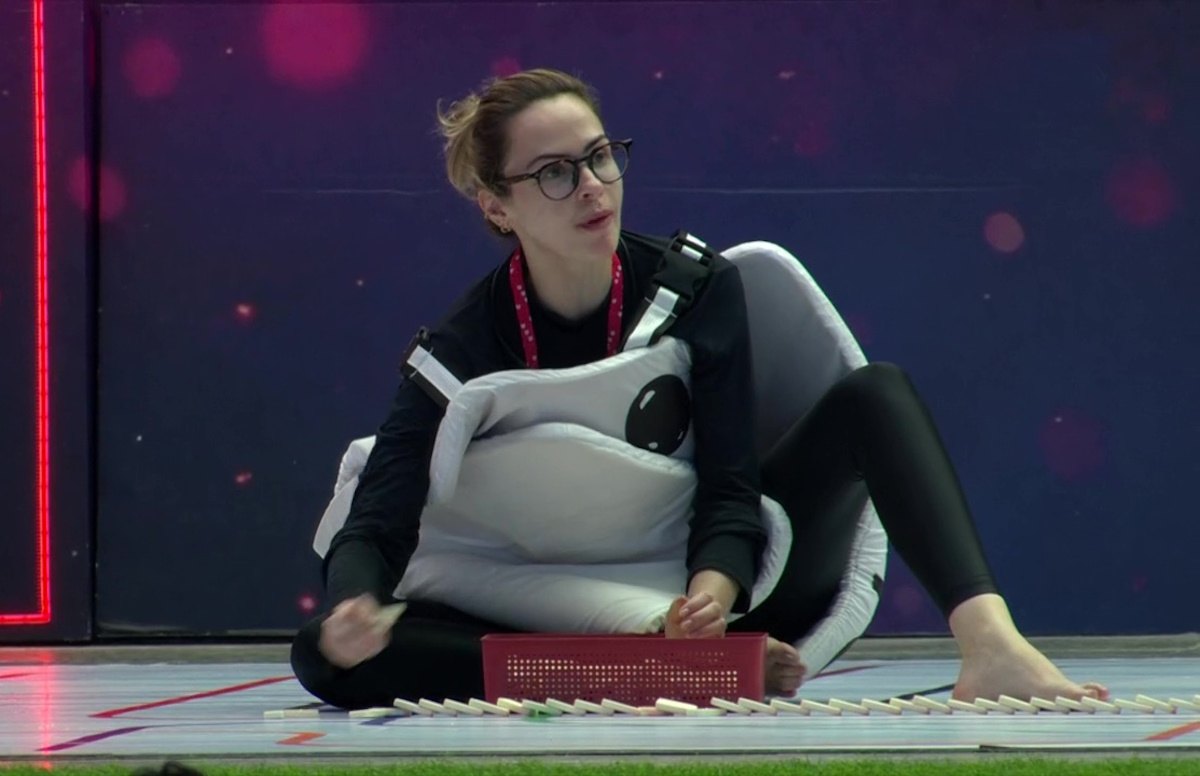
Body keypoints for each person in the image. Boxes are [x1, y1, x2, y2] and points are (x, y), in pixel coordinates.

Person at [290, 68, 1106, 710]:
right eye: (553, 173)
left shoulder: (695, 285)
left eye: (600, 156)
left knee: (877, 395)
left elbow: (729, 483)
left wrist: (709, 594)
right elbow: (378, 520)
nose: (592, 185)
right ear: (496, 207)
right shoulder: (460, 347)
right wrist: (356, 606)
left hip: (722, 594)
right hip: (557, 606)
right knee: (322, 656)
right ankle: (635, 670)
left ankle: (992, 645)